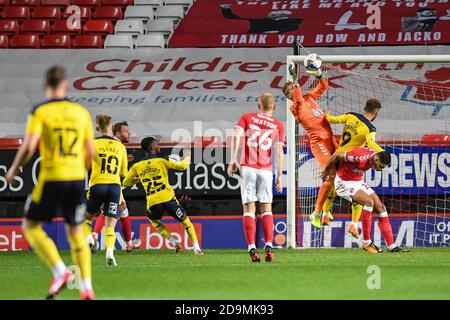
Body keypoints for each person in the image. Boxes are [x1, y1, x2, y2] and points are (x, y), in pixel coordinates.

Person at [5, 66, 95, 300]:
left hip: (52, 177)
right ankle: (86, 288)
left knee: (30, 226)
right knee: (76, 232)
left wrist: (14, 169)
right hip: (76, 178)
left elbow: (29, 146)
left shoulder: (40, 111)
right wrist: (81, 172)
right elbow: (90, 152)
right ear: (65, 85)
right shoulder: (81, 112)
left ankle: (60, 271)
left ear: (46, 86)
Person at [122, 137, 204, 255]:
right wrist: (187, 156)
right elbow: (183, 166)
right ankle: (197, 249)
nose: (158, 146)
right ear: (152, 147)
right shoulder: (162, 160)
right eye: (157, 145)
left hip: (153, 202)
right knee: (187, 223)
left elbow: (126, 182)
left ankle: (173, 241)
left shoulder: (137, 166)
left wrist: (140, 178)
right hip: (168, 199)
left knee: (152, 219)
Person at [228, 93, 284, 262]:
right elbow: (279, 152)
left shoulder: (247, 117)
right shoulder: (278, 125)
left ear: (259, 105)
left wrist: (233, 159)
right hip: (266, 171)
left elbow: (236, 136)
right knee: (267, 208)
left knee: (249, 209)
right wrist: (280, 175)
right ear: (274, 107)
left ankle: (252, 247)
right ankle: (268, 244)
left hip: (248, 169)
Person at [322, 148, 409, 254]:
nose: (381, 169)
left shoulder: (375, 156)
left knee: (381, 207)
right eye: (380, 166)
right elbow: (336, 156)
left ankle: (392, 246)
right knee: (369, 202)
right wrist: (326, 170)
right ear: (376, 159)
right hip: (343, 182)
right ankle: (366, 242)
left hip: (356, 181)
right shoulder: (358, 158)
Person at [282, 65, 337, 229]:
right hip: (319, 142)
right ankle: (316, 213)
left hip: (331, 139)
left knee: (336, 178)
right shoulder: (296, 107)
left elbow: (324, 87)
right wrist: (296, 82)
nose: (294, 90)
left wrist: (320, 75)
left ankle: (326, 214)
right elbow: (298, 98)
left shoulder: (309, 98)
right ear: (289, 96)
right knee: (330, 177)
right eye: (290, 90)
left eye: (294, 88)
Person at [324, 99, 384, 238]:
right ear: (376, 113)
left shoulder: (351, 115)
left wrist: (327, 116)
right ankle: (353, 224)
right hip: (350, 160)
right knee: (358, 191)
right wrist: (382, 152)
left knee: (332, 183)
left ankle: (325, 214)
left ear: (365, 107)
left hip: (337, 155)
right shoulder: (370, 128)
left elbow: (333, 120)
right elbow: (371, 143)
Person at [91, 121, 141, 252]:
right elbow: (123, 173)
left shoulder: (106, 143)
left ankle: (128, 242)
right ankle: (95, 237)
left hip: (99, 182)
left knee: (122, 210)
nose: (129, 133)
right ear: (117, 133)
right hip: (111, 184)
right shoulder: (117, 145)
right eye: (126, 131)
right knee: (110, 211)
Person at [84, 114, 128, 266]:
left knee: (86, 218)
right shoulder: (120, 146)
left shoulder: (92, 144)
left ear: (97, 128)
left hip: (97, 185)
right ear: (112, 127)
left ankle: (90, 238)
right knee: (111, 223)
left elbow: (84, 164)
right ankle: (110, 252)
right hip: (114, 187)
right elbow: (124, 173)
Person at [220, 3, 302, 33]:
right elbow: (236, 18)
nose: (275, 14)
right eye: (273, 14)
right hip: (255, 29)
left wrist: (277, 31)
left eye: (279, 14)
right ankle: (225, 9)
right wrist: (225, 9)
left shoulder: (294, 21)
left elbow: (295, 27)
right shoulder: (264, 19)